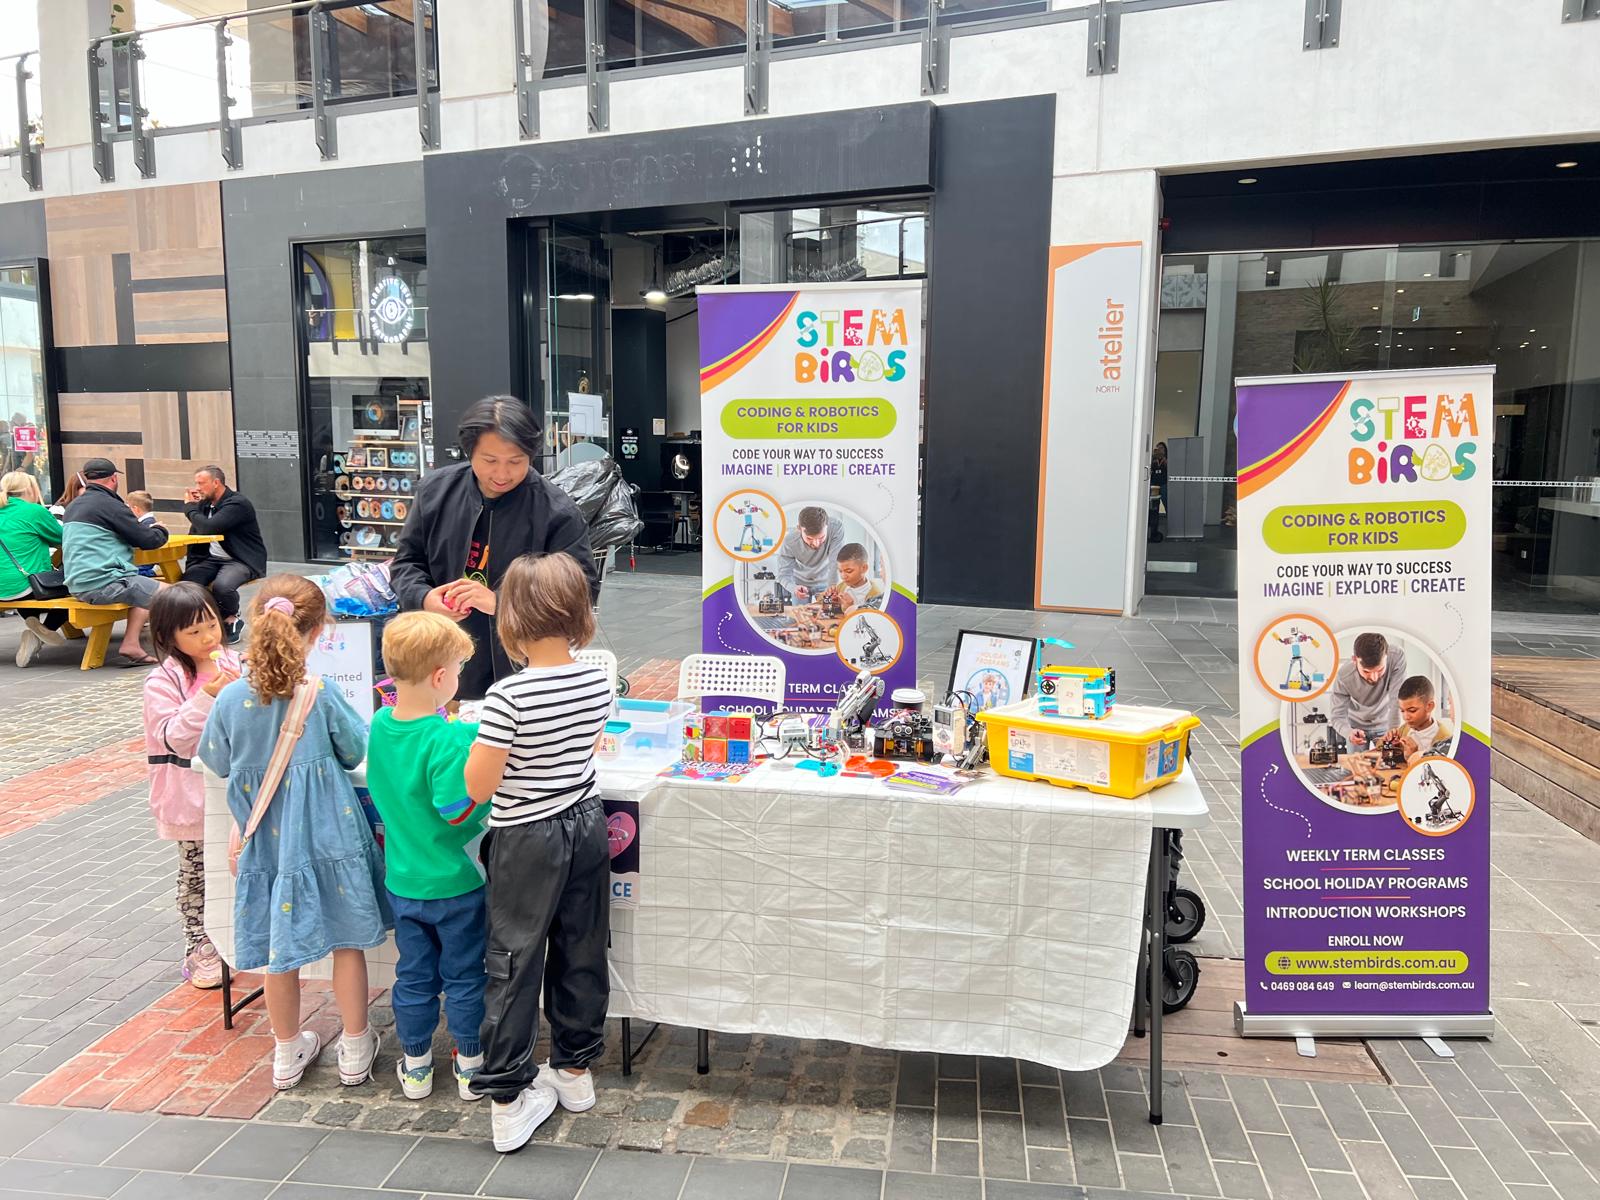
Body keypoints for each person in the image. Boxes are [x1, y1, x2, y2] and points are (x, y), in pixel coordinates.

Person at [199, 574, 391, 1091]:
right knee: (349, 941)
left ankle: (286, 1052)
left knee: (276, 951)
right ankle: (354, 1045)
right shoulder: (318, 693)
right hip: (331, 838)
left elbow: (215, 760)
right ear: (317, 632)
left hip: (270, 844)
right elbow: (355, 750)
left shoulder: (230, 698)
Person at [463, 553, 613, 1152]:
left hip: (527, 835)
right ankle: (575, 1071)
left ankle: (507, 1097)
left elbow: (479, 786)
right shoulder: (599, 677)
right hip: (586, 823)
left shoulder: (506, 698)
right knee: (582, 947)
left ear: (512, 618)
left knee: (513, 961)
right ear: (579, 613)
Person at [391, 397, 598, 701]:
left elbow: (581, 590)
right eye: (489, 461)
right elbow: (406, 563)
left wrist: (501, 602)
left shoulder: (556, 510)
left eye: (515, 461)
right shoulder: (436, 491)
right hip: (442, 662)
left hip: (523, 669)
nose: (502, 474)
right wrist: (424, 597)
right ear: (469, 452)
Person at [365, 611, 488, 1103]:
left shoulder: (379, 723)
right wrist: (490, 802)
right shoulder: (449, 736)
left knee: (414, 976)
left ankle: (415, 1063)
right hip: (455, 882)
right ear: (441, 677)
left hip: (403, 879)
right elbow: (457, 811)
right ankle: (470, 1063)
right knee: (464, 975)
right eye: (459, 668)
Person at [143, 583, 242, 989]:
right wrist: (209, 696)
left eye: (211, 625)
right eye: (195, 632)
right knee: (198, 875)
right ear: (169, 638)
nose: (208, 638)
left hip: (235, 792)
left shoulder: (237, 663)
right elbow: (172, 737)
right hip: (190, 798)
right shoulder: (162, 681)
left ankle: (237, 938)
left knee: (236, 867)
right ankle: (200, 947)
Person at [62, 458, 168, 667]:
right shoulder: (111, 505)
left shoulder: (73, 506)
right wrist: (160, 529)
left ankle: (131, 644)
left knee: (143, 589)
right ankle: (184, 646)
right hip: (104, 583)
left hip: (76, 584)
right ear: (113, 478)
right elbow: (148, 541)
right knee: (176, 595)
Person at [181, 466, 267, 646]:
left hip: (240, 559)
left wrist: (189, 508)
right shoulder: (204, 505)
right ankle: (204, 620)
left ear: (216, 483)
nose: (197, 488)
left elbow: (208, 527)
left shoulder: (237, 504)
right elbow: (196, 533)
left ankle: (231, 617)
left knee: (223, 586)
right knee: (188, 585)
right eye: (196, 483)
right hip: (211, 559)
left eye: (201, 483)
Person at [0, 470, 68, 667]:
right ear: (30, 489)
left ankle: (33, 623)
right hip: (24, 587)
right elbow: (64, 538)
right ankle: (40, 633)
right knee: (79, 589)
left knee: (21, 587)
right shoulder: (34, 511)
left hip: (4, 588)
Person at [1329, 632, 1408, 750]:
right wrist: (1349, 733)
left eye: (1380, 670)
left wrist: (1393, 730)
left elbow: (1396, 700)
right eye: (1366, 671)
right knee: (1355, 766)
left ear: (1387, 656)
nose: (1374, 677)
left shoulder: (1396, 656)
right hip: (1356, 727)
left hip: (1386, 724)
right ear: (1354, 660)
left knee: (1392, 763)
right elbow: (1337, 716)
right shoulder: (1344, 676)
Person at [772, 506, 844, 603]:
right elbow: (783, 574)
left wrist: (832, 586)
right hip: (800, 584)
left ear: (827, 526)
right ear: (799, 529)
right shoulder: (789, 542)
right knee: (800, 616)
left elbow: (835, 562)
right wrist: (794, 588)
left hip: (827, 581)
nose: (816, 543)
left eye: (821, 537)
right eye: (810, 539)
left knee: (829, 614)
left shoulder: (836, 527)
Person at [1389, 675, 1455, 765]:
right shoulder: (1405, 729)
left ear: (1429, 706)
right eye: (1402, 710)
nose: (1405, 717)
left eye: (1412, 710)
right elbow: (1389, 757)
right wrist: (1387, 742)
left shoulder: (1444, 739)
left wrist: (1414, 757)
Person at [827, 542, 884, 611]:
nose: (843, 576)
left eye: (849, 571)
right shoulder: (841, 587)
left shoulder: (875, 596)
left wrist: (849, 607)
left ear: (864, 568)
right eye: (840, 571)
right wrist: (830, 600)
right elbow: (831, 610)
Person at [126, 491, 160, 579]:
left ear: (135, 509)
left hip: (144, 568)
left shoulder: (145, 526)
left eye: (128, 508)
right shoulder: (150, 523)